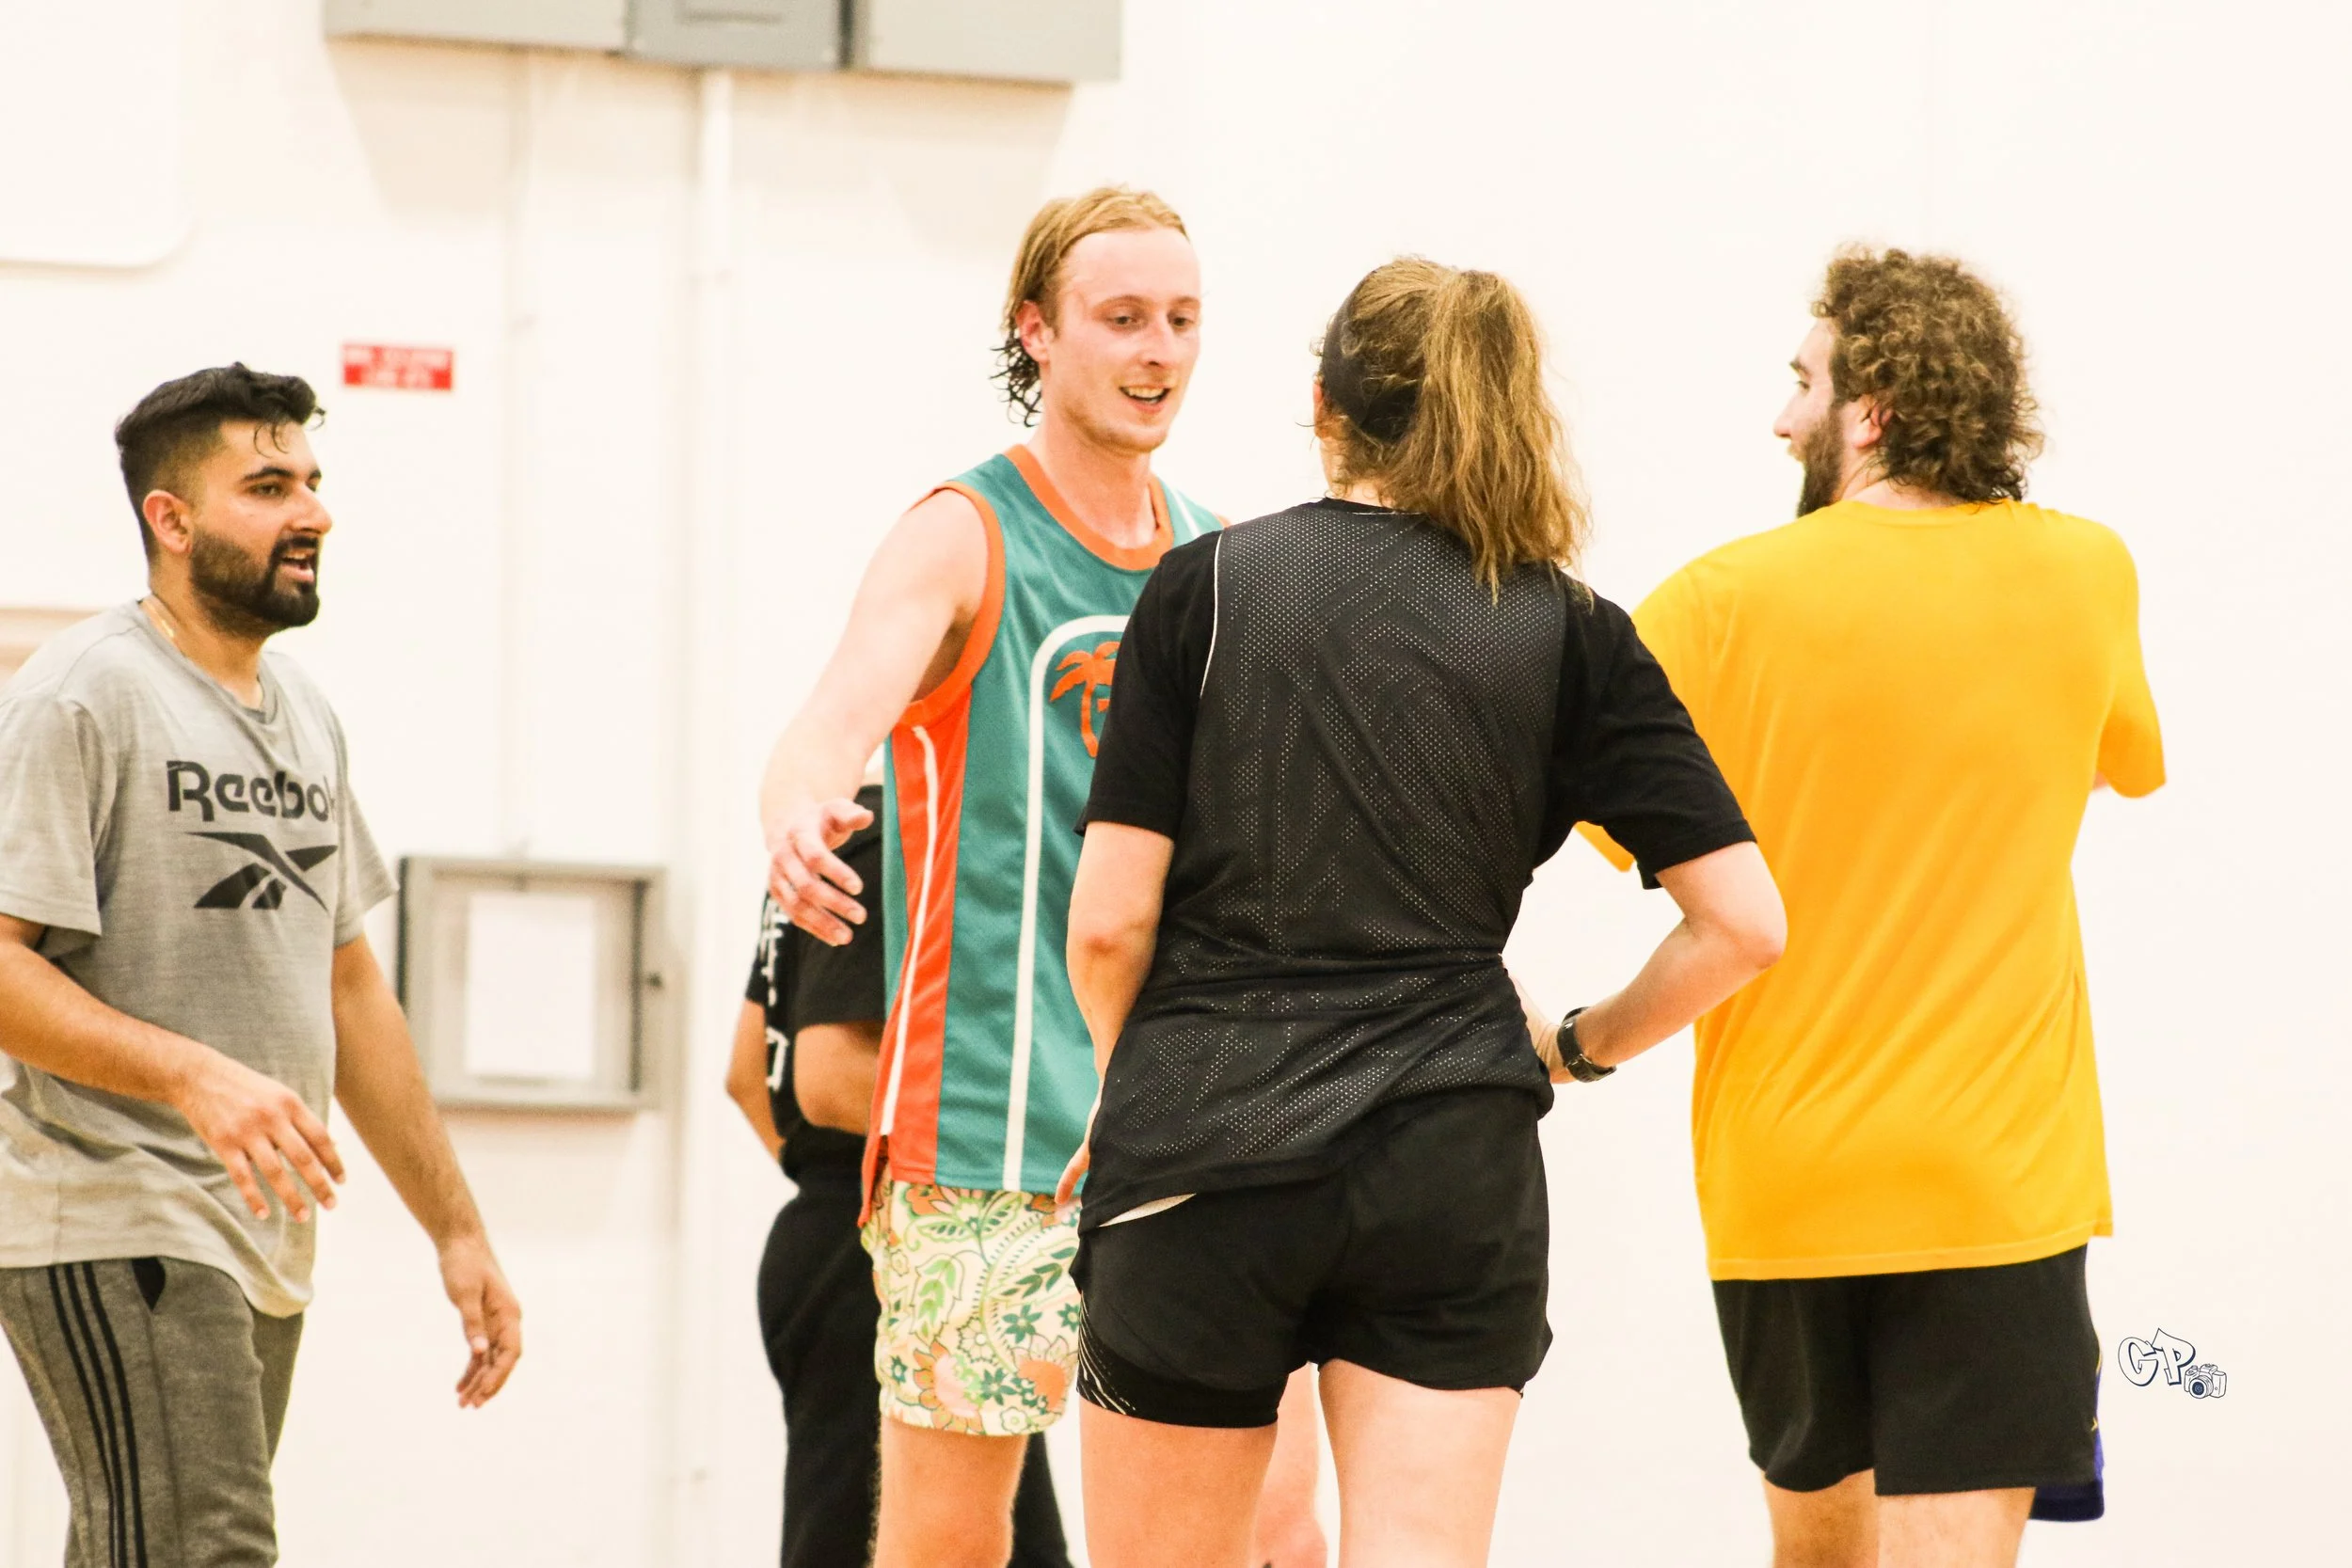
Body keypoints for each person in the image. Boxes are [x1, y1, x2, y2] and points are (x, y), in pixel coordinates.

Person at [1055, 257, 1786, 1568]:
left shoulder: (1204, 587)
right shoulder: (1570, 629)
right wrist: (1579, 1041)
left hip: (1205, 1140)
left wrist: (1139, 1090)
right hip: (1449, 1149)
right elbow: (1744, 924)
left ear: (1324, 407)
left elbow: (1109, 922)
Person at [756, 187, 1324, 1568]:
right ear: (1039, 331)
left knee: (1277, 1529)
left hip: (1186, 1133)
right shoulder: (964, 531)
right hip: (982, 1147)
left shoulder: (1224, 556)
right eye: (1123, 318)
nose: (1158, 351)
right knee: (951, 1541)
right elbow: (835, 715)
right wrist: (794, 800)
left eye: (1182, 321)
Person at [1584, 248, 2164, 1567]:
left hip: (1786, 1179)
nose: (1781, 417)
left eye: (1802, 383)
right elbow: (2116, 758)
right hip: (1994, 1177)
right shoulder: (2087, 573)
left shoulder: (1715, 603)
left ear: (1875, 405)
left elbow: (1601, 822)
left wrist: (1575, 1040)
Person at [0, 365, 522, 1566]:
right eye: (269, 485)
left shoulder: (303, 713)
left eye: (314, 483)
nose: (313, 514)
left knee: (150, 1548)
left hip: (255, 1233)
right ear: (169, 519)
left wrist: (457, 1228)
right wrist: (193, 1074)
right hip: (112, 1201)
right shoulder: (86, 692)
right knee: (207, 1547)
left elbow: (347, 985)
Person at [723, 768, 1073, 1568]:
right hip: (893, 1240)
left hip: (876, 1234)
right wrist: (1019, 1146)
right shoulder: (893, 839)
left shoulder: (834, 840)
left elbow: (747, 1074)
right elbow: (827, 1074)